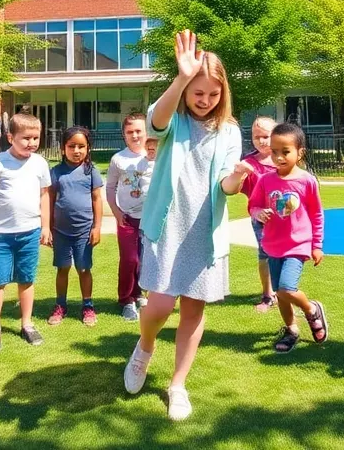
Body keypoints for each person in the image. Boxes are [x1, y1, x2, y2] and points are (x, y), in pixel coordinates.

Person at [122, 30, 242, 421]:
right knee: (158, 305)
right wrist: (181, 77)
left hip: (204, 233)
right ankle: (145, 347)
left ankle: (178, 384)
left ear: (223, 93)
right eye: (198, 92)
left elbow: (225, 184)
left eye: (213, 94)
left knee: (193, 310)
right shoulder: (174, 119)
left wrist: (236, 179)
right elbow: (154, 122)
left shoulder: (230, 131)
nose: (205, 100)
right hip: (167, 227)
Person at [225, 123, 327, 354]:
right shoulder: (265, 180)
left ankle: (311, 310)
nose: (279, 157)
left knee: (286, 288)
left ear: (300, 152)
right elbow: (253, 205)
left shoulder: (307, 181)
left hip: (297, 245)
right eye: (274, 151)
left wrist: (317, 245)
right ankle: (291, 330)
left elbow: (317, 214)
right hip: (272, 246)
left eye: (285, 151)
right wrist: (258, 213)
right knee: (280, 294)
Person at [0, 113, 52, 353]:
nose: (32, 143)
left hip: (29, 233)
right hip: (1, 235)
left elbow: (44, 195)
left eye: (36, 138)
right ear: (11, 138)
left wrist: (45, 226)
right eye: (26, 138)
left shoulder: (40, 163)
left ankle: (27, 323)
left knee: (26, 279)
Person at [47, 126, 104, 327]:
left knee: (84, 268)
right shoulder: (56, 172)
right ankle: (60, 305)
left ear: (88, 148)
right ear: (63, 148)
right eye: (72, 146)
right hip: (60, 232)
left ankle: (88, 306)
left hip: (84, 232)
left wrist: (97, 227)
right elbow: (49, 200)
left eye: (81, 146)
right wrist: (48, 227)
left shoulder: (91, 171)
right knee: (62, 268)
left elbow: (97, 199)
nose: (76, 150)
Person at [107, 113, 150, 321]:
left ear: (146, 132)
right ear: (124, 135)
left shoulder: (154, 156)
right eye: (130, 132)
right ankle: (126, 299)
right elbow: (110, 188)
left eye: (139, 131)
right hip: (127, 218)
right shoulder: (118, 159)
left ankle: (139, 293)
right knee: (130, 259)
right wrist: (116, 212)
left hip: (149, 219)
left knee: (145, 260)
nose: (135, 135)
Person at [243, 116, 278, 312]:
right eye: (256, 137)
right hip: (261, 218)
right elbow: (243, 190)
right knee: (265, 254)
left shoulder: (284, 159)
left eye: (266, 136)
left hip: (285, 218)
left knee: (286, 253)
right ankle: (268, 293)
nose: (261, 141)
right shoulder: (249, 163)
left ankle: (285, 290)